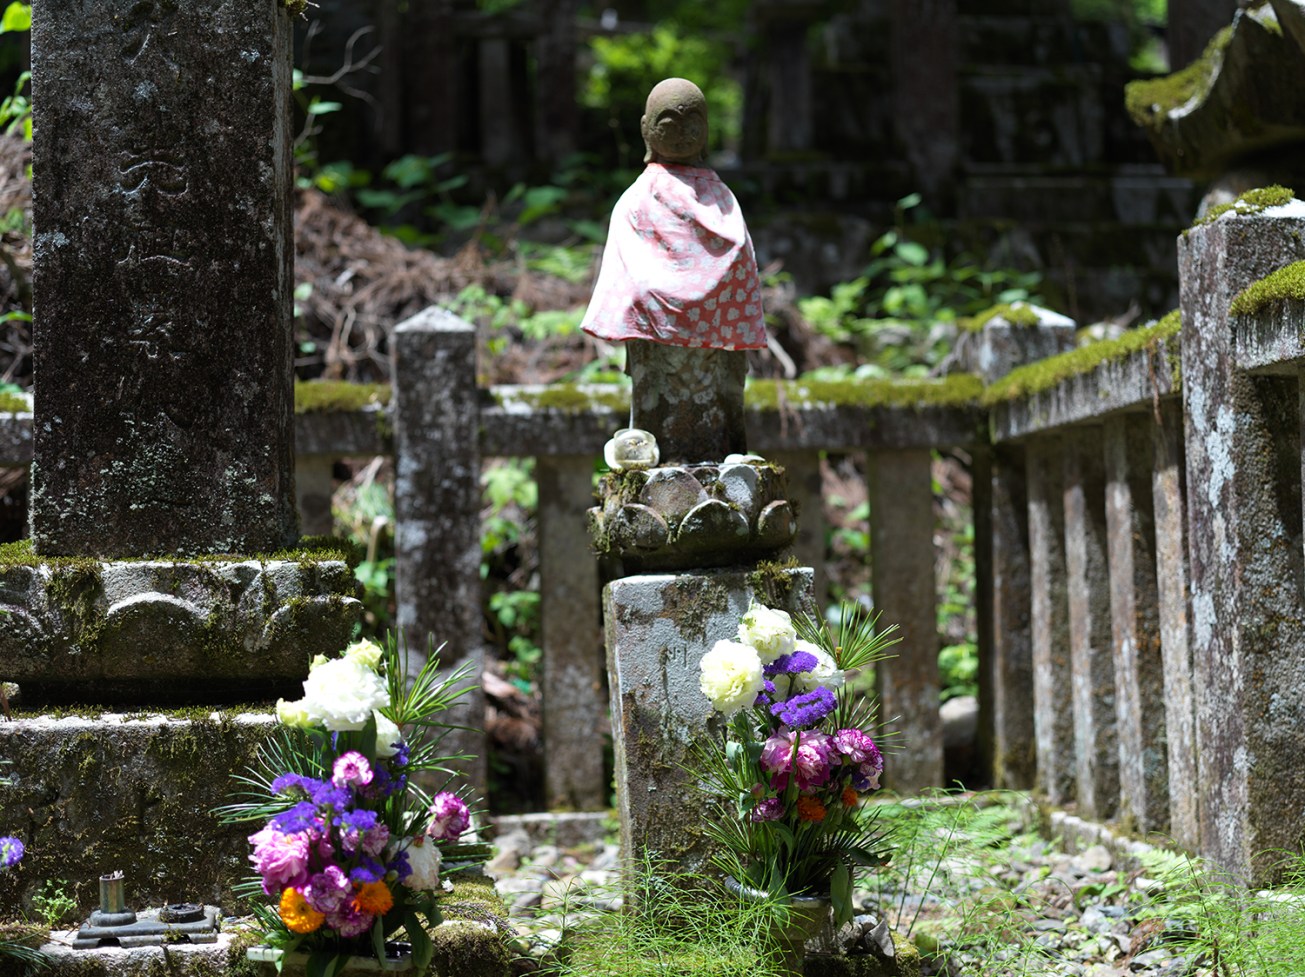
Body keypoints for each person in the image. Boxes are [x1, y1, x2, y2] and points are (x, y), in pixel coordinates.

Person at [580, 77, 766, 351]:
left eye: (691, 125)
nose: (681, 134)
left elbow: (738, 246)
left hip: (716, 329)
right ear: (647, 129)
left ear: (705, 130)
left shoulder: (719, 194)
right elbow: (625, 258)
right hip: (653, 331)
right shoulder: (640, 195)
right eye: (668, 125)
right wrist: (651, 286)